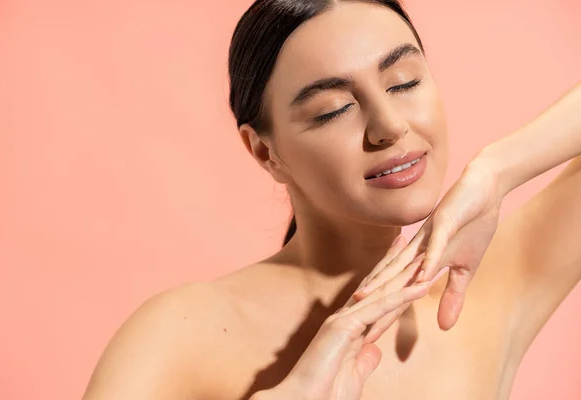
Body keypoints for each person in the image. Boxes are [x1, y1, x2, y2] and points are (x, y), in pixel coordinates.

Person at [82, 1, 581, 399]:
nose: (390, 125)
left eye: (404, 81)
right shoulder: (183, 331)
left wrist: (497, 170)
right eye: (333, 110)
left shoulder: (494, 289)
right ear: (265, 152)